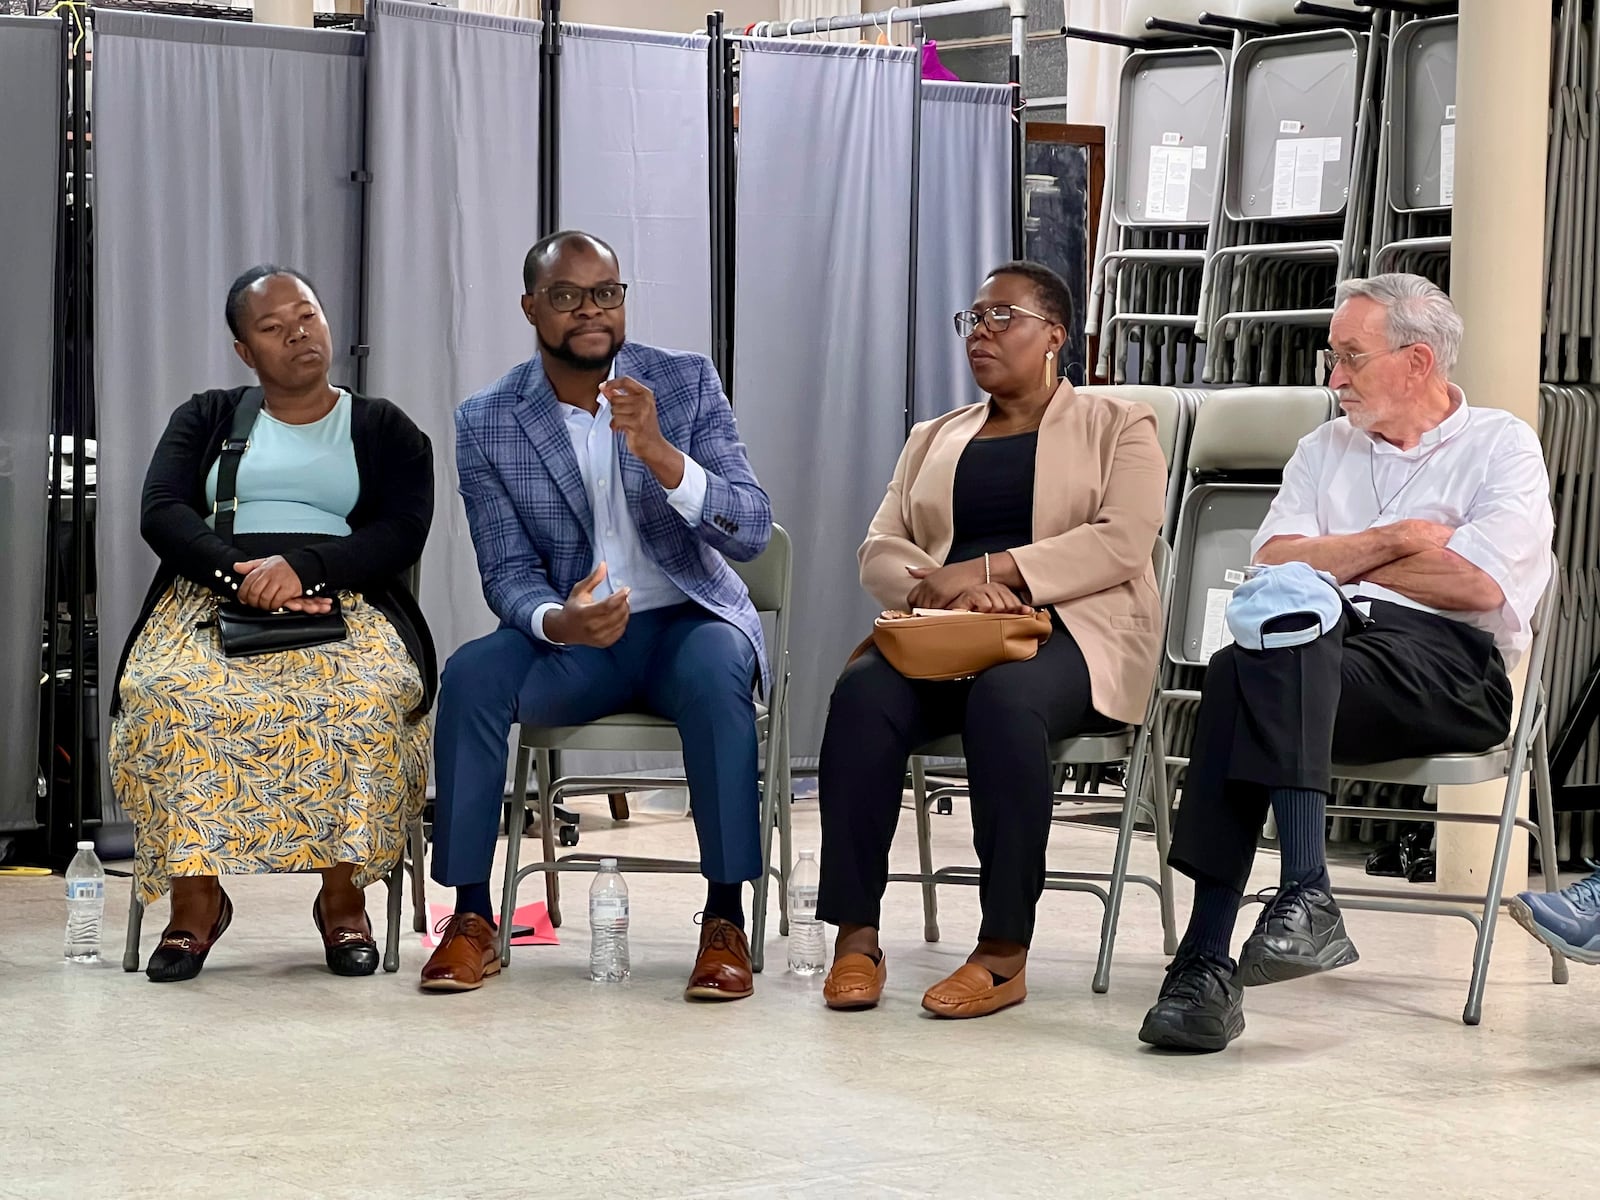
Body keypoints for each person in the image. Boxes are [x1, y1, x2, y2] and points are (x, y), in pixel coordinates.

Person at [1138, 273, 1554, 1052]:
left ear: (1418, 361)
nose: (1333, 380)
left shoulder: (1503, 445)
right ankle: (1292, 901)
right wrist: (1398, 539)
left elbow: (1476, 584)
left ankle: (1207, 962)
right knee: (1255, 655)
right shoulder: (1321, 447)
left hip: (1450, 671)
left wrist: (1332, 563)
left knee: (1257, 660)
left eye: (1350, 359)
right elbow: (1269, 564)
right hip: (1330, 661)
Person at [422, 231, 773, 1000]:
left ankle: (725, 919)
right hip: (577, 646)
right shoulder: (488, 421)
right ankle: (472, 919)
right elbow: (506, 571)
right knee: (473, 675)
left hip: (687, 625)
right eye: (567, 296)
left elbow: (749, 528)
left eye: (606, 293)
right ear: (531, 308)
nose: (591, 310)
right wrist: (558, 621)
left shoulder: (682, 385)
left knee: (720, 673)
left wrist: (659, 453)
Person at [815, 261, 1167, 1018]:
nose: (981, 330)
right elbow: (879, 546)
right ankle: (855, 936)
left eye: (1003, 316)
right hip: (946, 632)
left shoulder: (1120, 424)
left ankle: (1003, 952)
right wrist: (935, 585)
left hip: (1073, 631)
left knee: (1008, 702)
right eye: (973, 317)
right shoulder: (933, 437)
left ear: (1054, 336)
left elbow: (1124, 541)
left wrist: (996, 569)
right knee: (862, 695)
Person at [110, 265, 437, 983]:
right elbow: (162, 511)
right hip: (209, 593)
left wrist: (305, 572)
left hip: (345, 599)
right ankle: (195, 905)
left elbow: (402, 530)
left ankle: (342, 903)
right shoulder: (207, 415)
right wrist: (249, 578)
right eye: (273, 326)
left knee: (365, 699)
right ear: (244, 351)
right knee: (168, 695)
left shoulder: (383, 427)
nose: (299, 333)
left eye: (308, 315)